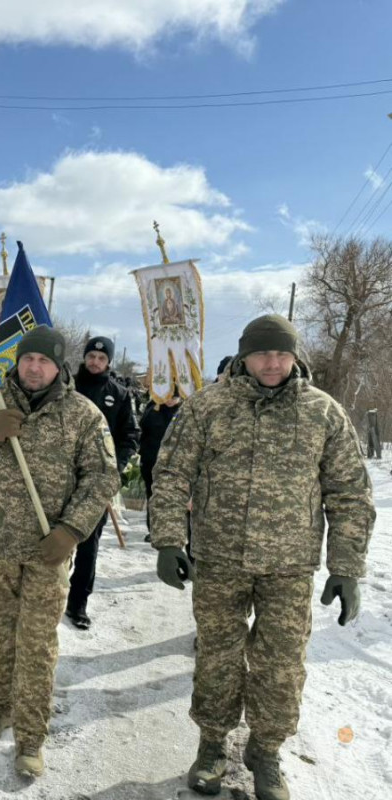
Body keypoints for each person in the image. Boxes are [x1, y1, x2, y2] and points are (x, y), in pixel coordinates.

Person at [150, 314, 375, 800]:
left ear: (295, 357)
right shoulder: (207, 407)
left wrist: (346, 568)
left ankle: (266, 751)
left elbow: (350, 493)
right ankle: (212, 745)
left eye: (281, 353)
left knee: (282, 665)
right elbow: (170, 475)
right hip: (219, 559)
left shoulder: (323, 412)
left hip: (289, 565)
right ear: (245, 356)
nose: (272, 363)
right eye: (262, 353)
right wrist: (169, 540)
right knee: (218, 657)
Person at [0, 326, 119, 778]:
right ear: (16, 362)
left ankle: (30, 737)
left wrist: (71, 530)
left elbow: (102, 477)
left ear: (59, 366)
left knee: (37, 647)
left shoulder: (83, 415)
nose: (34, 368)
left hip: (48, 552)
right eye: (27, 360)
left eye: (43, 361)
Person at [67, 335, 139, 629]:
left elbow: (129, 438)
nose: (95, 362)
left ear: (108, 362)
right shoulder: (66, 385)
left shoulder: (119, 395)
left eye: (102, 358)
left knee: (88, 542)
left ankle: (78, 602)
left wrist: (115, 470)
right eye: (91, 356)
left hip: (97, 480)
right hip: (61, 474)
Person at [138, 392, 181, 544]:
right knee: (153, 495)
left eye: (175, 398)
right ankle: (154, 530)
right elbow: (142, 429)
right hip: (152, 459)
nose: (171, 401)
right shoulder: (153, 407)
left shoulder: (184, 410)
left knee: (172, 498)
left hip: (175, 462)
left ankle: (171, 531)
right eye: (170, 396)